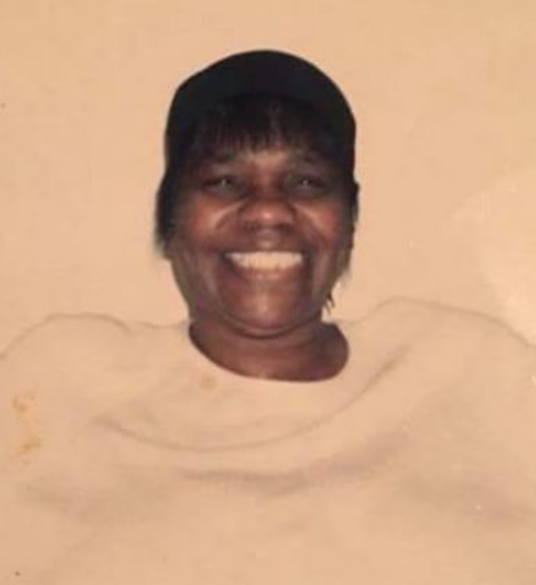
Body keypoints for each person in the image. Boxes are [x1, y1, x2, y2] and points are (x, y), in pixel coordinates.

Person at [1, 50, 535, 584]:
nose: (268, 211)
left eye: (306, 182)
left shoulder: (464, 366)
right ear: (170, 220)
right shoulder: (67, 378)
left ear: (349, 221)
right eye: (224, 182)